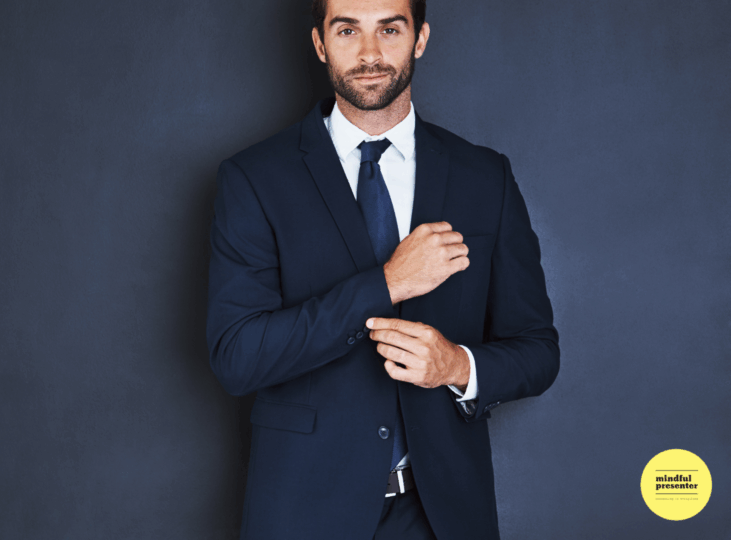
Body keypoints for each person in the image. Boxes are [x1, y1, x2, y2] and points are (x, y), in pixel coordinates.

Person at [205, 0, 559, 537]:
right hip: (304, 513)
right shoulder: (254, 179)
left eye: (390, 29)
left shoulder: (484, 178)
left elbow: (537, 350)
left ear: (419, 39)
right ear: (321, 43)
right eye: (348, 29)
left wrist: (458, 367)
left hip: (440, 515)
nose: (370, 53)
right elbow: (237, 357)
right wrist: (387, 283)